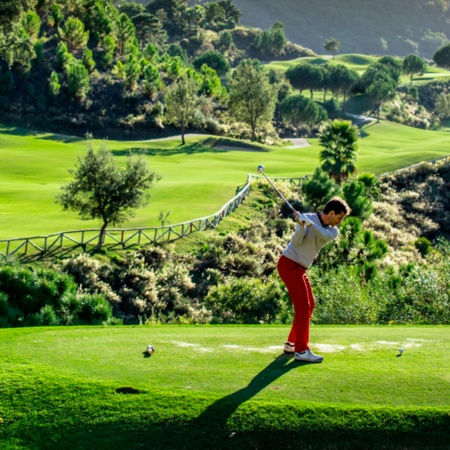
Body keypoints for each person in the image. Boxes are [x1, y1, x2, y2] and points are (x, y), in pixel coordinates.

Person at [277, 197, 350, 363]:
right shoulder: (307, 217)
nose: (339, 222)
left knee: (310, 305)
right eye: (339, 218)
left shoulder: (332, 231)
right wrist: (301, 226)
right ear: (331, 213)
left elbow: (322, 234)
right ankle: (301, 350)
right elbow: (295, 243)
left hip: (300, 267)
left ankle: (292, 344)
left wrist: (308, 223)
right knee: (303, 306)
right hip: (289, 264)